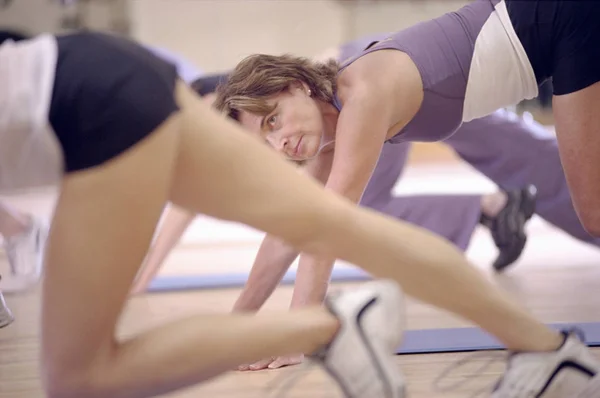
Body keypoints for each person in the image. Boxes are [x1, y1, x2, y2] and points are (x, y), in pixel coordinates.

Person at [2, 29, 598, 398]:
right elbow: (291, 234)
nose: (279, 141)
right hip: (94, 69)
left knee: (582, 207)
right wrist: (239, 326)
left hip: (557, 25)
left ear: (292, 88)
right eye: (266, 134)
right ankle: (549, 350)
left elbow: (319, 234)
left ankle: (347, 322)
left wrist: (302, 319)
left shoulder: (357, 93)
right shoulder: (323, 113)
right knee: (352, 221)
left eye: (274, 121)